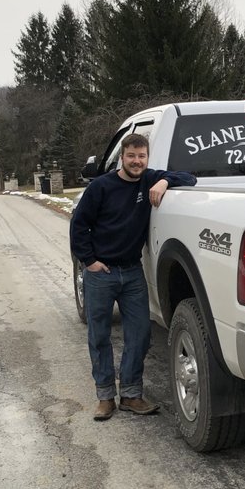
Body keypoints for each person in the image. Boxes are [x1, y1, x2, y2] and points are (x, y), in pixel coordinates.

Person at [70, 133, 196, 421]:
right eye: (131, 156)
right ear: (122, 158)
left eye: (142, 156)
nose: (137, 161)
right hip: (101, 274)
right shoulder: (101, 187)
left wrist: (164, 182)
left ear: (147, 158)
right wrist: (90, 262)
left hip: (132, 272)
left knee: (140, 335)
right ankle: (105, 397)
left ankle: (130, 395)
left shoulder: (149, 179)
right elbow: (79, 225)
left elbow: (189, 178)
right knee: (99, 336)